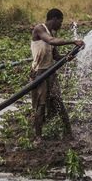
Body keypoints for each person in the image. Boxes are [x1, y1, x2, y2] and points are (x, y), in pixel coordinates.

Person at [30, 8, 84, 142]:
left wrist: (67, 57)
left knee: (58, 100)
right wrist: (73, 41)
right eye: (60, 21)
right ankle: (38, 137)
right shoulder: (39, 29)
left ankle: (68, 132)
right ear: (54, 19)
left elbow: (55, 56)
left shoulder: (51, 32)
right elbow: (51, 41)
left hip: (50, 72)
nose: (61, 25)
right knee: (41, 105)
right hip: (39, 73)